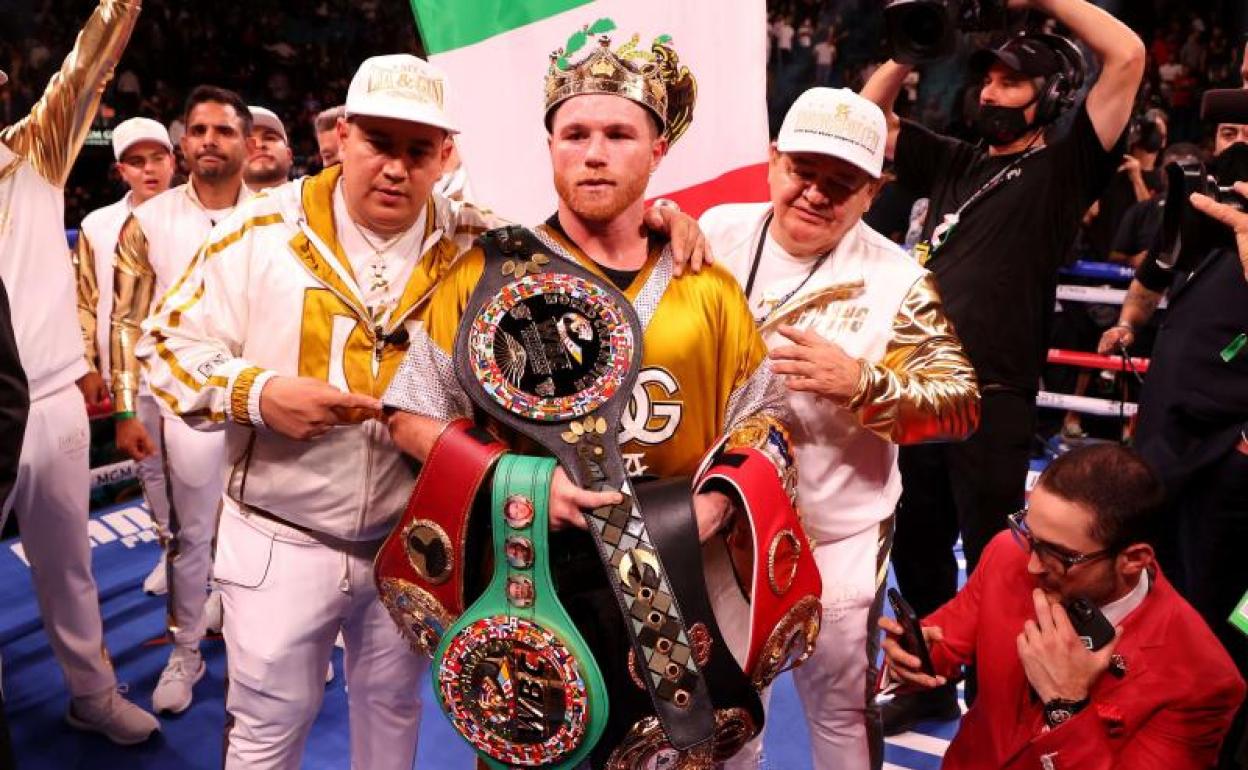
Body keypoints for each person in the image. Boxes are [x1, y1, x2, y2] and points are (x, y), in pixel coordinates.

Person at [138, 53, 707, 769]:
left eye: (417, 150)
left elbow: (585, 243)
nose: (396, 168)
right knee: (266, 728)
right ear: (342, 135)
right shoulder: (254, 233)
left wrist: (662, 217)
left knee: (393, 714)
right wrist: (255, 392)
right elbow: (161, 346)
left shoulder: (483, 243)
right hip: (282, 532)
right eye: (379, 142)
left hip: (417, 536)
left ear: (444, 155)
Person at [381, 32, 795, 768]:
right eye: (575, 134)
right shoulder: (487, 273)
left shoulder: (708, 282)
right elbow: (410, 412)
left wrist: (719, 502)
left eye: (618, 134)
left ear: (658, 150)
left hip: (684, 577)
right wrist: (530, 485)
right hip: (533, 573)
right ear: (550, 145)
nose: (594, 153)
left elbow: (765, 416)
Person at [861, 0, 1145, 729]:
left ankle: (1000, 697)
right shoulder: (955, 159)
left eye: (1011, 82)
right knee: (918, 545)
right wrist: (914, 43)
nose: (989, 92)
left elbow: (1129, 56)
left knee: (1005, 562)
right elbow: (862, 121)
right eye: (986, 79)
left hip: (993, 393)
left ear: (1048, 96)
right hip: (918, 390)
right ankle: (925, 678)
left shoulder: (1064, 167)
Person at [699, 87, 980, 770]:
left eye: (842, 183)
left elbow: (960, 404)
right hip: (720, 526)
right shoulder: (712, 233)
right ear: (773, 162)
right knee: (723, 709)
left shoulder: (900, 279)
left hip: (837, 537)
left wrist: (864, 385)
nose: (816, 195)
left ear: (873, 191)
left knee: (841, 714)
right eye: (803, 172)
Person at [0, 0, 160, 745]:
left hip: (52, 397)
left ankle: (90, 693)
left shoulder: (33, 151)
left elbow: (88, 63)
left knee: (68, 564)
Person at [880, 443, 1246, 768]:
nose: (1033, 565)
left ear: (1133, 559)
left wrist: (1067, 706)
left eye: (1059, 555)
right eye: (1028, 533)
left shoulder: (1202, 679)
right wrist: (913, 657)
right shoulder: (1009, 554)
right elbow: (946, 640)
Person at [109, 85, 253, 715]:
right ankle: (185, 651)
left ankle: (254, 653)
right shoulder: (148, 220)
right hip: (186, 405)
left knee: (263, 533)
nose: (209, 140)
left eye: (222, 130)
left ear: (246, 142)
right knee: (190, 540)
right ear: (183, 143)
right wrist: (121, 407)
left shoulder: (280, 213)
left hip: (259, 401)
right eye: (198, 130)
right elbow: (124, 320)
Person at [1129, 140, 1248, 770]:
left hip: (1227, 466)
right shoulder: (1206, 243)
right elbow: (1152, 278)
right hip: (1172, 455)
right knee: (1168, 604)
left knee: (1222, 623)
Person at [72, 116, 176, 595]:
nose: (150, 169)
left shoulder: (197, 215)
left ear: (173, 160)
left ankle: (217, 567)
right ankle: (169, 551)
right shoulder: (96, 224)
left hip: (190, 368)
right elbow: (87, 299)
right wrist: (90, 365)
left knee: (211, 475)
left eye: (158, 157)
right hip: (129, 369)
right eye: (138, 161)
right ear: (121, 170)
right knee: (150, 468)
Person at [244, 105, 293, 189]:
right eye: (248, 141)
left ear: (289, 155)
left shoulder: (317, 196)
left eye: (270, 138)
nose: (259, 145)